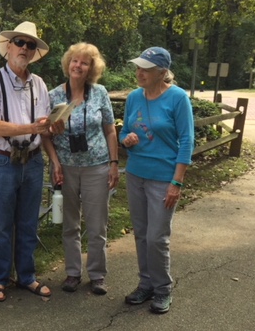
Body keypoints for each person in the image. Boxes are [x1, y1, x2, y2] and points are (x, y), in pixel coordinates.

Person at [0, 21, 63, 302]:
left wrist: (53, 127)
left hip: (34, 161)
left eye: (31, 44)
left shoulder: (38, 83)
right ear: (8, 47)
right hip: (2, 161)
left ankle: (26, 276)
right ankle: (0, 279)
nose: (25, 48)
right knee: (2, 224)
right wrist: (32, 128)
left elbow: (44, 127)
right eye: (20, 42)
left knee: (28, 223)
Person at [120, 47, 194, 314]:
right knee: (141, 234)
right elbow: (125, 130)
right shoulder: (133, 98)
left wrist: (177, 182)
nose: (139, 72)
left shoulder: (177, 98)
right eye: (138, 67)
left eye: (145, 69)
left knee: (157, 238)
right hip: (136, 173)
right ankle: (146, 284)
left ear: (162, 72)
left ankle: (163, 289)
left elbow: (187, 141)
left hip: (163, 178)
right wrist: (125, 139)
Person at [48, 43, 120, 295]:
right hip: (65, 168)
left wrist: (114, 163)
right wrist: (54, 162)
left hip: (97, 167)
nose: (78, 65)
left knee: (97, 224)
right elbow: (46, 134)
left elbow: (110, 130)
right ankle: (72, 273)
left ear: (91, 69)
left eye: (84, 62)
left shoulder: (100, 93)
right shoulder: (54, 95)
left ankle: (98, 275)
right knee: (70, 223)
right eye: (74, 61)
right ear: (68, 63)